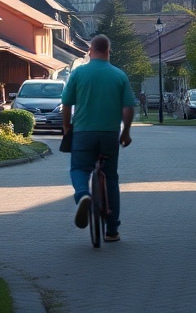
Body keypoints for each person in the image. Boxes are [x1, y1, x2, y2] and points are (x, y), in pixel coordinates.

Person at [61, 34, 135, 242]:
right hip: (110, 134)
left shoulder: (78, 73)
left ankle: (83, 194)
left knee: (79, 168)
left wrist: (67, 127)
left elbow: (66, 104)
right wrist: (126, 131)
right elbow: (128, 107)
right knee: (110, 177)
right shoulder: (119, 75)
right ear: (108, 51)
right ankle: (112, 230)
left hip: (83, 133)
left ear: (90, 51)